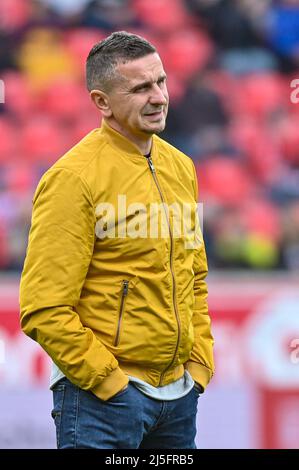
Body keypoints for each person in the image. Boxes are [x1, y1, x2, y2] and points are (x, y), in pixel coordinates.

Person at [19, 31, 214, 449]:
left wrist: (199, 367)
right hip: (103, 404)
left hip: (178, 399)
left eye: (160, 81)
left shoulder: (181, 167)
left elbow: (195, 276)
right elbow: (43, 307)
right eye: (141, 88)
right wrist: (109, 382)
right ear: (101, 102)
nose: (159, 97)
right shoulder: (72, 179)